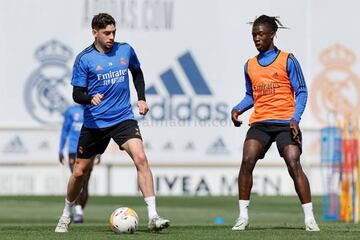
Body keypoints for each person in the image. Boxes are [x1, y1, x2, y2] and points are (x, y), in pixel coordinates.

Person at [55, 13, 170, 233]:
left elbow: (136, 72)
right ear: (94, 32)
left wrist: (142, 97)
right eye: (106, 33)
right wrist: (90, 98)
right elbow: (77, 94)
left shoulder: (125, 50)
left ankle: (153, 216)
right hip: (95, 124)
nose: (111, 37)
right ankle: (66, 213)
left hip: (123, 118)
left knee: (141, 158)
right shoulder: (84, 59)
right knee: (79, 173)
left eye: (113, 32)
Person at [231, 15, 320, 232]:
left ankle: (309, 218)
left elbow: (301, 91)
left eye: (261, 34)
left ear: (272, 34)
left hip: (285, 122)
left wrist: (295, 119)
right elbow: (250, 95)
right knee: (247, 159)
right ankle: (243, 216)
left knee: (293, 161)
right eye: (254, 34)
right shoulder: (249, 65)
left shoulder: (288, 59)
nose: (257, 38)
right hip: (261, 122)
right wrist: (237, 109)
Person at [58, 104, 100, 223]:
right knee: (77, 177)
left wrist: (99, 152)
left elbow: (100, 133)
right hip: (73, 150)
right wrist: (60, 149)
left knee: (85, 183)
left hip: (89, 150)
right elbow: (65, 131)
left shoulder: (95, 110)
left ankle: (78, 210)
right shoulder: (71, 111)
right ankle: (78, 212)